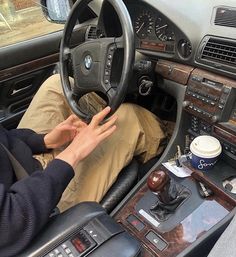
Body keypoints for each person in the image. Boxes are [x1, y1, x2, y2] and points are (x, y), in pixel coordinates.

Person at [0, 74, 166, 256]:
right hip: (36, 212)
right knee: (129, 118)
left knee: (57, 85)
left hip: (23, 167)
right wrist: (74, 152)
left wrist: (45, 141)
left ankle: (100, 129)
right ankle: (171, 143)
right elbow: (10, 224)